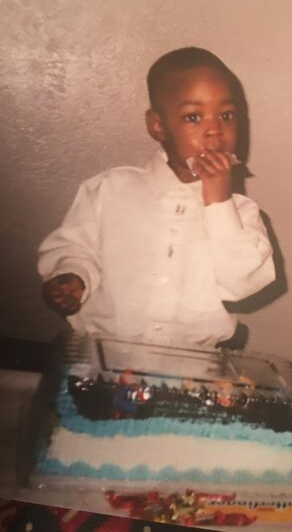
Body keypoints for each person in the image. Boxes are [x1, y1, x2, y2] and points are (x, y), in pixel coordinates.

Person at [38, 47, 275, 347]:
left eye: (226, 115)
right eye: (194, 117)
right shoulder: (110, 189)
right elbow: (75, 248)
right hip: (101, 354)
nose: (215, 130)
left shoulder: (243, 214)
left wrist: (218, 203)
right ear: (158, 126)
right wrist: (72, 276)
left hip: (192, 368)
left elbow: (241, 285)